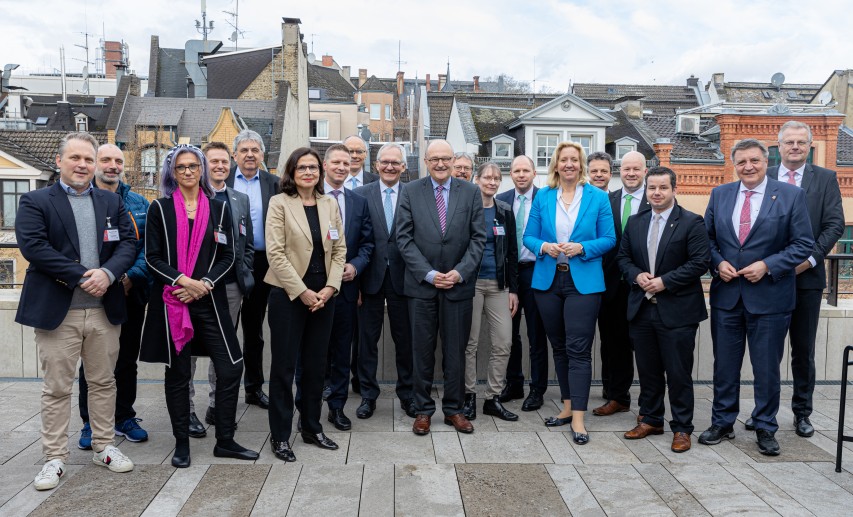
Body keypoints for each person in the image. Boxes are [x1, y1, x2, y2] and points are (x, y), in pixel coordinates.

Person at [17, 132, 137, 490]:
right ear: (59, 161)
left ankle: (104, 446)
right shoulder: (35, 200)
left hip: (104, 309)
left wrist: (109, 273)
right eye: (76, 158)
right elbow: (33, 247)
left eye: (88, 158)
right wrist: (85, 275)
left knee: (103, 382)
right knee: (57, 387)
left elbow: (129, 243)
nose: (83, 165)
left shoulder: (110, 201)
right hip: (60, 311)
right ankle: (54, 458)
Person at [140, 144, 259, 468]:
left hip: (210, 300)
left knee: (232, 365)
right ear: (172, 173)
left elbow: (228, 255)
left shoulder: (219, 209)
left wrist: (204, 283)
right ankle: (181, 444)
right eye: (182, 167)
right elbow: (152, 258)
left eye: (194, 166)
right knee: (178, 374)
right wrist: (182, 281)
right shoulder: (159, 209)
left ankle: (225, 440)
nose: (189, 172)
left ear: (202, 170)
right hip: (175, 301)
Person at [699, 138, 813, 456]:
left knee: (766, 369)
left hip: (771, 298)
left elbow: (803, 244)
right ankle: (722, 422)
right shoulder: (720, 194)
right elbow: (706, 239)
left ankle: (765, 426)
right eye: (741, 162)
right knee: (724, 366)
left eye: (754, 161)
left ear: (766, 161)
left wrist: (767, 265)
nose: (748, 167)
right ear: (734, 165)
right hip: (727, 297)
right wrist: (717, 262)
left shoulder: (791, 195)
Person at [523, 141, 616, 445]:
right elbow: (529, 236)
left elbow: (609, 239)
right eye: (564, 160)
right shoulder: (544, 196)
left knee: (578, 349)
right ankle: (565, 407)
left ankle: (578, 416)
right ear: (556, 165)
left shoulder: (598, 198)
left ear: (581, 165)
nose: (569, 165)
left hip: (583, 283)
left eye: (574, 160)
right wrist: (544, 247)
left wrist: (583, 248)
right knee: (559, 347)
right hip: (548, 282)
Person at [617, 167, 710, 453]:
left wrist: (664, 282)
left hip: (678, 310)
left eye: (662, 188)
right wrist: (637, 276)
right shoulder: (635, 221)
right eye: (652, 188)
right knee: (648, 370)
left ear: (674, 189)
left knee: (678, 372)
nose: (656, 193)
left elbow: (700, 262)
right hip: (642, 309)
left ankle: (682, 428)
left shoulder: (692, 222)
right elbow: (623, 258)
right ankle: (652, 418)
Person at [397, 139, 486, 436]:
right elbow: (404, 239)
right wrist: (430, 273)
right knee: (421, 351)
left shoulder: (471, 192)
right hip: (422, 287)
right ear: (425, 160)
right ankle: (422, 410)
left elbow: (478, 239)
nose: (440, 164)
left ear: (453, 160)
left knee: (456, 352)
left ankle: (454, 409)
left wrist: (459, 273)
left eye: (445, 158)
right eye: (434, 159)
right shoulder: (410, 191)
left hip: (458, 287)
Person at [761, 121, 843, 438]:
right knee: (766, 350)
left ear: (808, 147)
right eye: (789, 142)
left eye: (801, 142)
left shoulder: (824, 179)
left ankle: (801, 413)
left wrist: (808, 260)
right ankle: (763, 412)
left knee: (803, 351)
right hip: (768, 279)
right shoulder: (763, 177)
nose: (795, 147)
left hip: (807, 280)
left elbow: (834, 225)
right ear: (778, 146)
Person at [265, 147, 346, 462]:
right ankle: (281, 436)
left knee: (315, 366)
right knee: (284, 368)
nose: (309, 172)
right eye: (303, 168)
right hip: (288, 295)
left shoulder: (330, 204)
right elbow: (276, 253)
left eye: (313, 167)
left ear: (320, 172)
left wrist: (329, 288)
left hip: (323, 297)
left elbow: (339, 250)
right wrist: (302, 292)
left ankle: (312, 427)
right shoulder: (280, 203)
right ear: (292, 172)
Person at [77, 144, 151, 449]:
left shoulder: (140, 203)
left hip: (130, 292)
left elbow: (148, 247)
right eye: (105, 160)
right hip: (92, 293)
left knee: (127, 359)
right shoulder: (81, 202)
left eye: (118, 161)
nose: (112, 165)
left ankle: (123, 416)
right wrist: (98, 278)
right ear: (95, 164)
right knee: (92, 362)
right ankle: (89, 422)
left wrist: (129, 276)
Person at [187, 141, 255, 437]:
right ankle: (186, 409)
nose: (219, 166)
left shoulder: (238, 199)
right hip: (192, 289)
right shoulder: (190, 198)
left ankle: (218, 406)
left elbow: (246, 243)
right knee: (187, 349)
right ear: (203, 166)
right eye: (213, 161)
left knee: (223, 349)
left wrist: (245, 272)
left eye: (224, 162)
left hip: (229, 288)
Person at [354, 143, 416, 419]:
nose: (390, 167)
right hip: (369, 278)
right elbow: (353, 239)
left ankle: (408, 394)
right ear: (376, 165)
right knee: (367, 340)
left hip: (405, 279)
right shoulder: (360, 195)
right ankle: (368, 395)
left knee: (406, 340)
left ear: (404, 167)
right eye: (385, 162)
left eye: (396, 162)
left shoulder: (414, 194)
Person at [317, 144, 374, 431]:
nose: (342, 166)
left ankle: (337, 407)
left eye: (346, 162)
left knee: (342, 350)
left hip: (346, 289)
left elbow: (367, 244)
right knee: (314, 351)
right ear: (324, 165)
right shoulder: (309, 197)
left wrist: (356, 265)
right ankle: (310, 406)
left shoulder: (358, 201)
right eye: (336, 162)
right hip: (312, 289)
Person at [226, 129, 279, 409]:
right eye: (244, 150)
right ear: (235, 155)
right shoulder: (222, 182)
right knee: (226, 328)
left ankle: (254, 388)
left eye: (254, 150)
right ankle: (225, 390)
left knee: (254, 329)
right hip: (227, 263)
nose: (249, 155)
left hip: (263, 263)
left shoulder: (275, 183)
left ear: (262, 155)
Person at [594, 151, 650, 417]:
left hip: (645, 286)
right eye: (626, 168)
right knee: (613, 344)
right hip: (612, 286)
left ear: (644, 172)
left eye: (636, 169)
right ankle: (618, 397)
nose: (630, 173)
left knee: (646, 346)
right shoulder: (608, 200)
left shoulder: (656, 199)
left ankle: (650, 405)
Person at [463, 162, 519, 422]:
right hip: (470, 284)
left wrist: (513, 290)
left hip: (498, 285)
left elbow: (511, 253)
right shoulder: (466, 209)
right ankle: (468, 397)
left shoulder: (505, 211)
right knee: (469, 344)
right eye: (487, 177)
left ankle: (492, 398)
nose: (493, 182)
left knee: (503, 342)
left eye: (497, 178)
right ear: (477, 179)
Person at [497, 155, 549, 411]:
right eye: (516, 170)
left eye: (525, 170)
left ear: (534, 173)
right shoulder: (502, 200)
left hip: (538, 271)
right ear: (511, 174)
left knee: (537, 334)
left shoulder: (546, 198)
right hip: (510, 274)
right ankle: (514, 383)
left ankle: (537, 390)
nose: (520, 175)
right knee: (510, 333)